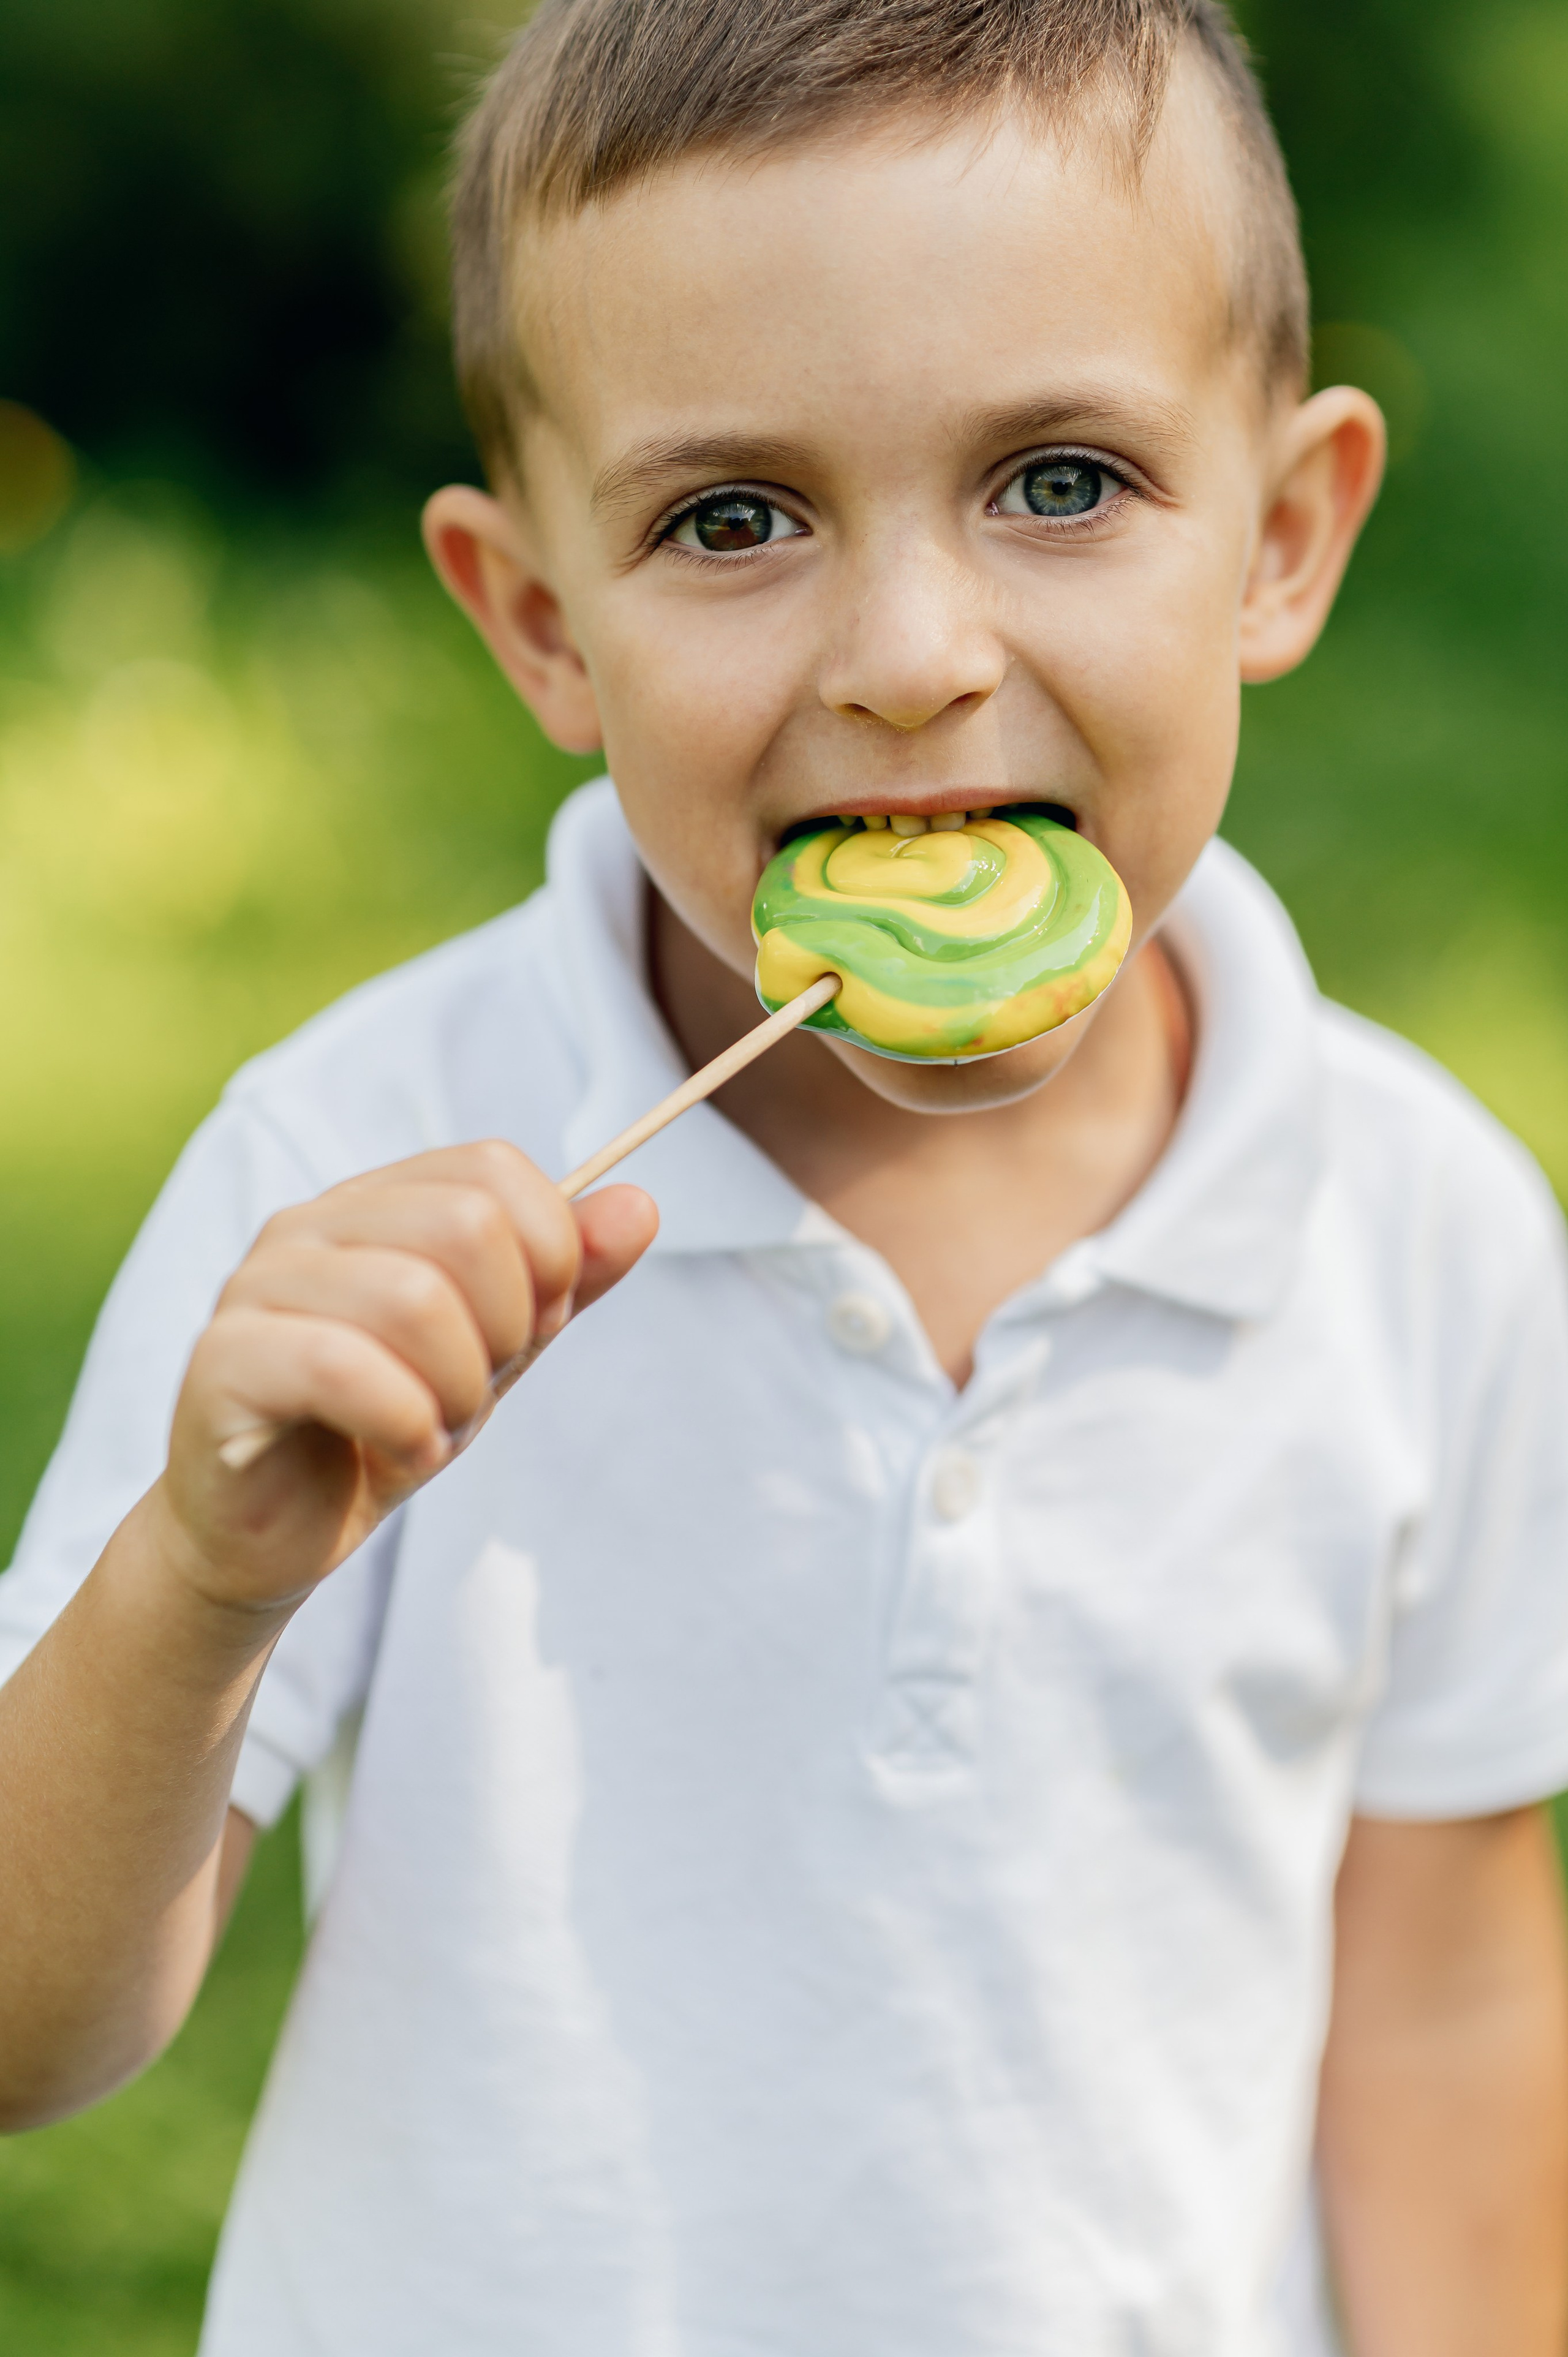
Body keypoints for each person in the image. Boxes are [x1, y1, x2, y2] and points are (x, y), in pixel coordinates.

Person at [2, 0, 1567, 2348]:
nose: (915, 659)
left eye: (1059, 480)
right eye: (731, 519)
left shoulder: (1422, 1234)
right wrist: (198, 1594)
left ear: (1284, 538)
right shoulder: (349, 1181)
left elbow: (1442, 2010)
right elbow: (32, 2038)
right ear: (544, 623)